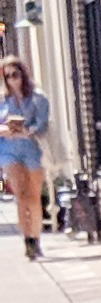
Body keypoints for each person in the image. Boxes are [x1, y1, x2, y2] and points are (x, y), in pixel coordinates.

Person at [0, 57, 48, 261]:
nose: (12, 80)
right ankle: (27, 240)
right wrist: (5, 130)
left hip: (31, 149)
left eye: (15, 75)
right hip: (9, 150)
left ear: (23, 74)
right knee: (20, 196)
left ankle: (36, 238)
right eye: (7, 76)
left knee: (33, 197)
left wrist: (28, 131)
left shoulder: (38, 98)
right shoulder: (2, 101)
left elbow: (43, 125)